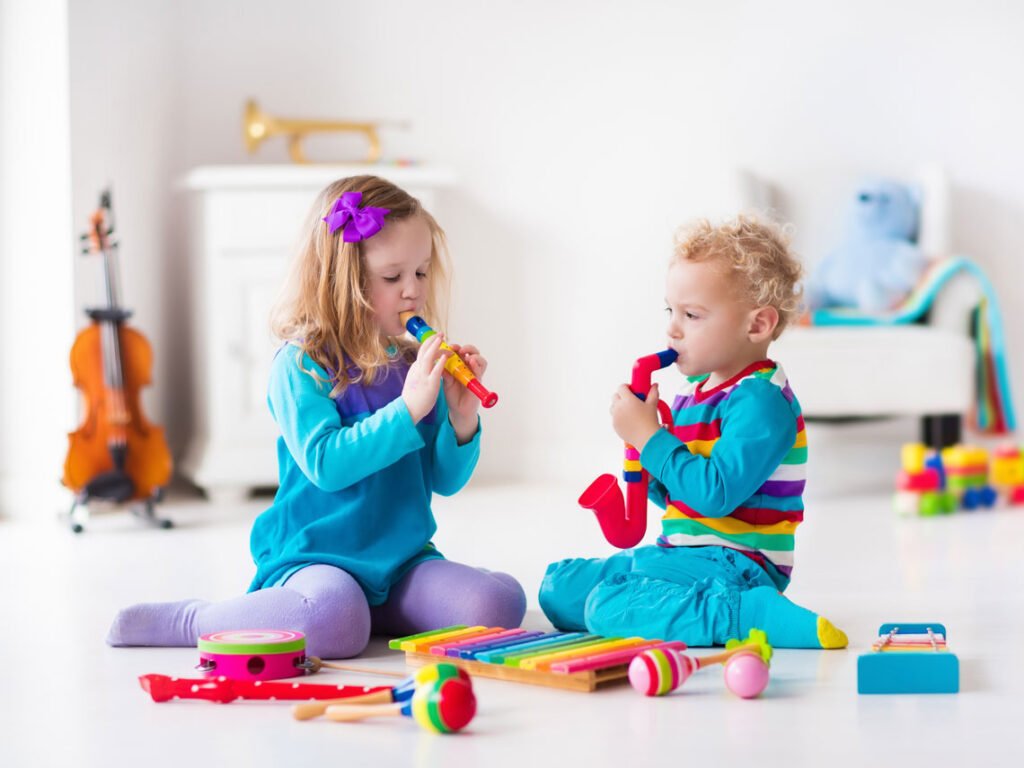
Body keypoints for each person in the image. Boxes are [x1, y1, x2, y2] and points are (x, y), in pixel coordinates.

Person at [107, 175, 526, 658]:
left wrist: (461, 419)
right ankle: (197, 619)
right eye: (393, 277)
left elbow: (445, 482)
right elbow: (328, 465)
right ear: (342, 282)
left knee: (499, 603)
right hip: (317, 556)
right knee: (334, 622)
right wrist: (408, 409)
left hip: (400, 560)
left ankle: (379, 609)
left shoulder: (413, 367)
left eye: (422, 272)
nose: (413, 291)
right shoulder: (301, 365)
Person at [539, 216, 847, 649]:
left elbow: (714, 494)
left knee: (603, 607)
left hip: (736, 564)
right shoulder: (694, 391)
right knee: (558, 588)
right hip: (681, 554)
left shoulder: (761, 401)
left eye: (692, 315)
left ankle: (746, 613)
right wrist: (645, 450)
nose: (672, 328)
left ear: (757, 325)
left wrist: (651, 440)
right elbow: (679, 496)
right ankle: (668, 607)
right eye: (671, 311)